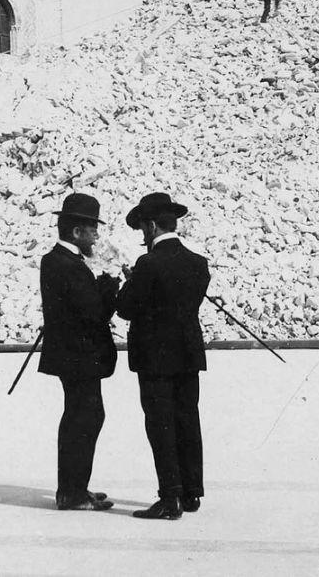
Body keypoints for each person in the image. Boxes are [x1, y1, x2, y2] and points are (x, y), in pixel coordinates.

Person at [116, 192, 211, 520]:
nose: (142, 235)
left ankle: (169, 498)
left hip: (155, 359)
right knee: (188, 420)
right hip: (187, 356)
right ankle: (191, 493)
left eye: (143, 229)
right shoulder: (199, 264)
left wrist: (130, 283)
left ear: (152, 226)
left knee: (161, 426)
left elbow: (127, 308)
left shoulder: (148, 264)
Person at [36, 192, 119, 512]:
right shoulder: (68, 265)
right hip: (79, 356)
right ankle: (72, 493)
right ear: (76, 232)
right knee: (83, 417)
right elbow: (94, 313)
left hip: (73, 355)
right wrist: (111, 286)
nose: (97, 235)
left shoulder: (59, 260)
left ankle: (74, 488)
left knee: (82, 416)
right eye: (92, 228)